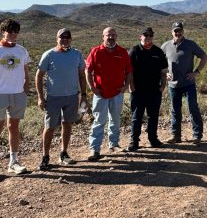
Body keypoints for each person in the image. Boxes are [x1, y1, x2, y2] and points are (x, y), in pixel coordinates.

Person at [0, 18, 31, 181]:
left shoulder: (22, 51)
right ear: (3, 32)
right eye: (10, 31)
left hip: (17, 93)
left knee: (14, 127)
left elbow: (26, 72)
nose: (13, 35)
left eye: (16, 32)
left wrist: (24, 90)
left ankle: (13, 162)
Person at [35, 28, 87, 171]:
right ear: (56, 38)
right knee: (50, 127)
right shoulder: (49, 55)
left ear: (71, 39)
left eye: (67, 37)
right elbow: (39, 76)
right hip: (53, 97)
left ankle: (63, 153)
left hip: (72, 96)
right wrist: (40, 97)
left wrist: (83, 95)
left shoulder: (77, 54)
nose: (65, 39)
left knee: (68, 124)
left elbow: (82, 75)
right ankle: (45, 156)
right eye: (61, 37)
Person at [85, 27, 132, 160]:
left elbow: (129, 70)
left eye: (113, 35)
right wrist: (92, 87)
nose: (110, 37)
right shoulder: (95, 51)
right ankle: (94, 149)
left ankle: (114, 144)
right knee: (99, 121)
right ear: (103, 37)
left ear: (116, 36)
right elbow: (88, 71)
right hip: (100, 93)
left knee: (115, 119)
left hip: (117, 92)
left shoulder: (122, 52)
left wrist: (126, 85)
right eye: (108, 35)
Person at [161, 22, 207, 145]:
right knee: (175, 110)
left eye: (180, 30)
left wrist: (196, 72)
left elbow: (204, 57)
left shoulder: (190, 44)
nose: (178, 33)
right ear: (172, 32)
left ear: (183, 32)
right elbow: (159, 62)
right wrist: (165, 74)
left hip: (189, 84)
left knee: (193, 108)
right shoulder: (166, 46)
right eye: (175, 31)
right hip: (173, 85)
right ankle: (176, 136)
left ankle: (197, 136)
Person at [127, 27, 168, 151]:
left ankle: (153, 139)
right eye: (146, 36)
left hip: (154, 90)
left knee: (153, 116)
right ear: (141, 37)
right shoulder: (134, 51)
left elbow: (163, 71)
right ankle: (134, 142)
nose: (148, 38)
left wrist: (163, 86)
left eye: (150, 36)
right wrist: (130, 86)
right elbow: (128, 71)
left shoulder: (158, 51)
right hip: (137, 91)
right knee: (136, 116)